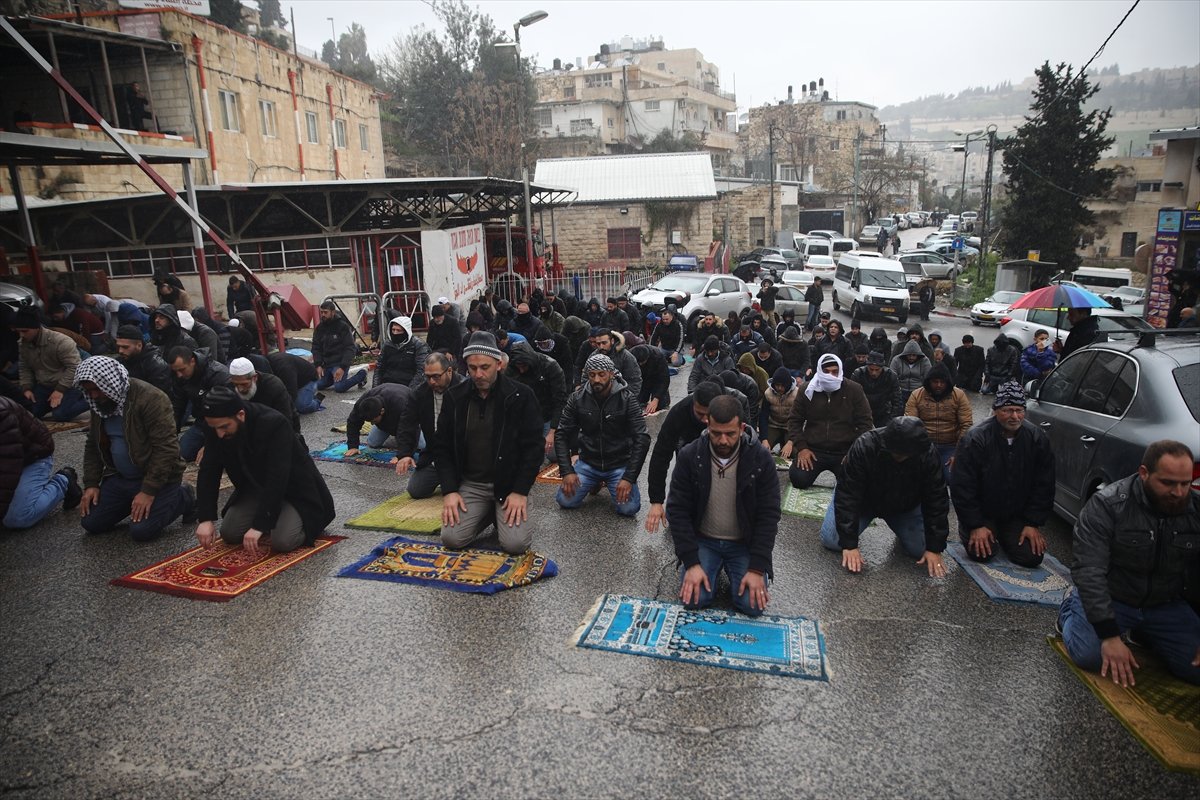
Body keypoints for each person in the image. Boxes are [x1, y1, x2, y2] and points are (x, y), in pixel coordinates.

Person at [1058, 440, 1200, 686]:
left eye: (1185, 483)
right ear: (1144, 473)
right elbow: (1089, 568)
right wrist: (1109, 635)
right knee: (1091, 656)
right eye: (1167, 483)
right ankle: (1070, 609)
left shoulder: (1196, 510)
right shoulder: (1108, 505)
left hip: (1165, 604)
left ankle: (1145, 632)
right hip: (1115, 597)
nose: (1178, 492)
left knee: (1195, 670)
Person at [666, 395, 780, 617]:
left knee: (753, 606)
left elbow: (769, 515)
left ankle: (732, 571)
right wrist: (691, 562)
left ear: (742, 428)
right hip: (704, 540)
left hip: (743, 543)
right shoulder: (690, 455)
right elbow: (677, 510)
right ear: (707, 425)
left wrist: (757, 567)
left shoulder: (761, 459)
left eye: (730, 433)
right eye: (716, 433)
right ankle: (711, 568)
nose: (723, 441)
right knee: (695, 600)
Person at [434, 332, 544, 554]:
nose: (478, 374)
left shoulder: (521, 396)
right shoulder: (455, 397)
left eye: (485, 367)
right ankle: (487, 512)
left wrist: (520, 491)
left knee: (515, 545)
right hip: (472, 484)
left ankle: (499, 511)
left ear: (499, 364)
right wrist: (450, 491)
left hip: (509, 484)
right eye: (472, 368)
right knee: (451, 539)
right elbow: (442, 446)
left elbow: (534, 448)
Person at [194, 387, 335, 556]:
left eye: (224, 427)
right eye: (215, 428)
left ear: (240, 415)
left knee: (283, 541)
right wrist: (205, 518)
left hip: (294, 490)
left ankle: (295, 518)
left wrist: (260, 525)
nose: (220, 434)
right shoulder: (217, 426)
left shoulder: (273, 423)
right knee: (230, 533)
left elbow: (278, 476)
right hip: (256, 487)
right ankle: (275, 516)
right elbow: (209, 470)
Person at [75, 357, 196, 542]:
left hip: (156, 479)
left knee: (141, 531)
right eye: (88, 391)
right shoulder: (100, 403)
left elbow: (167, 450)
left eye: (96, 389)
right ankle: (132, 502)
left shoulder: (150, 399)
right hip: (120, 478)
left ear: (109, 383)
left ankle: (182, 496)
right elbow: (93, 444)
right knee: (91, 523)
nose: (93, 396)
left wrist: (148, 491)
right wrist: (91, 483)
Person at [819, 416, 949, 577]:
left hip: (904, 507)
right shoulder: (865, 445)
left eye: (905, 454)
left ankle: (904, 533)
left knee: (922, 550)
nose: (900, 457)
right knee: (833, 541)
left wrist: (934, 547)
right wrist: (850, 545)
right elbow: (848, 495)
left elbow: (936, 499)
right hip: (864, 503)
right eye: (897, 453)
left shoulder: (927, 454)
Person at [951, 382, 1055, 569]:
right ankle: (971, 530)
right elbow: (963, 486)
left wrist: (1032, 523)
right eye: (1008, 410)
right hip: (983, 514)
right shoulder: (975, 438)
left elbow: (1044, 484)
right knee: (982, 553)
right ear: (996, 410)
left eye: (1019, 410)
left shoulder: (1037, 438)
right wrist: (975, 524)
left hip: (1016, 514)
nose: (1014, 416)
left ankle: (1007, 535)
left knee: (1031, 557)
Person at [554, 353, 650, 517]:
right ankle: (594, 481)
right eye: (592, 375)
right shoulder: (577, 398)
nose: (596, 379)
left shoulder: (628, 400)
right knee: (565, 501)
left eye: (601, 374)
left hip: (618, 464)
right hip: (588, 463)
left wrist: (629, 477)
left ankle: (610, 482)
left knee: (629, 509)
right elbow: (561, 433)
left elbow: (643, 438)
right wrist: (567, 471)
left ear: (611, 374)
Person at [645, 381, 725, 533]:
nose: (705, 420)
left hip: (721, 467)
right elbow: (661, 455)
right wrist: (656, 500)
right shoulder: (679, 412)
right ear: (693, 403)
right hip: (690, 464)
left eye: (709, 415)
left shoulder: (730, 409)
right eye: (700, 414)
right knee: (678, 520)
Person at [785, 353, 873, 489]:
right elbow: (794, 420)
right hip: (814, 449)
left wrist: (854, 452)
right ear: (819, 370)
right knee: (798, 479)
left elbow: (865, 423)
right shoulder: (807, 390)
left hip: (844, 450)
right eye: (826, 372)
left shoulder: (854, 389)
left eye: (834, 372)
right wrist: (802, 448)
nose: (830, 376)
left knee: (854, 483)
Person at [0, 396, 82, 529]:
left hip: (33, 457)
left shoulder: (3, 415)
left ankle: (63, 481)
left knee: (17, 518)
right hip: (10, 463)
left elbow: (8, 471)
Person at [395, 353, 465, 499]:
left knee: (465, 493)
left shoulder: (465, 389)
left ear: (449, 371)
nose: (432, 381)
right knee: (416, 490)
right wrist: (405, 454)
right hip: (436, 453)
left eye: (436, 376)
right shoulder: (420, 394)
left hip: (463, 455)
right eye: (428, 377)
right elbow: (407, 423)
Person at [13, 308, 91, 421]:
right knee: (30, 413)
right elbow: (24, 367)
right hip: (45, 385)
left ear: (36, 328)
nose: (22, 335)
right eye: (19, 331)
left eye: (25, 331)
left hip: (70, 384)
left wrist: (60, 390)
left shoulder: (60, 341)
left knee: (60, 415)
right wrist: (27, 388)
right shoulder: (23, 344)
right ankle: (53, 403)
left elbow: (74, 367)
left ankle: (90, 398)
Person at [904, 363, 972, 484]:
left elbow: (966, 425)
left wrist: (958, 454)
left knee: (954, 477)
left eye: (942, 382)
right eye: (935, 381)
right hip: (925, 446)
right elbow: (910, 424)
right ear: (929, 382)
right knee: (917, 478)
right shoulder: (916, 395)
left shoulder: (959, 395)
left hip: (950, 446)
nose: (939, 385)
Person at [166, 345, 231, 462]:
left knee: (218, 454)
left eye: (182, 370)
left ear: (192, 361)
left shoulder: (217, 374)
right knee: (182, 452)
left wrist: (210, 444)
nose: (179, 375)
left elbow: (228, 410)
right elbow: (178, 407)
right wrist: (170, 434)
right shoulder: (180, 377)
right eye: (176, 371)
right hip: (201, 422)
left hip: (223, 421)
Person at [506, 340, 568, 455]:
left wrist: (553, 431)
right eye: (518, 366)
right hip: (524, 417)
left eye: (524, 366)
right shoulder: (511, 369)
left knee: (552, 453)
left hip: (548, 415)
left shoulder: (550, 366)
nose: (521, 370)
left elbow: (560, 400)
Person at [228, 357, 299, 433]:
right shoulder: (230, 387)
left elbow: (286, 421)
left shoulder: (273, 386)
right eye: (236, 384)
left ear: (254, 378)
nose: (240, 389)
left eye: (244, 384)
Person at [313, 300, 365, 393]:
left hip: (339, 363)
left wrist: (342, 367)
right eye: (321, 312)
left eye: (326, 312)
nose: (323, 315)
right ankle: (332, 378)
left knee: (339, 387)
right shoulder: (319, 328)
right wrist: (318, 365)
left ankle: (362, 375)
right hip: (326, 364)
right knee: (319, 385)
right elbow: (316, 347)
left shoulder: (342, 327)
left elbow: (350, 347)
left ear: (332, 312)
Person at [114, 324, 174, 399]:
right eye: (118, 346)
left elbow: (160, 398)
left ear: (139, 345)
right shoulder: (119, 361)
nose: (120, 351)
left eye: (125, 347)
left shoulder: (156, 365)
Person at [375, 315, 431, 390]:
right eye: (393, 330)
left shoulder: (418, 345)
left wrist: (409, 391)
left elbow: (421, 371)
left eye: (398, 330)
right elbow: (379, 368)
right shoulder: (387, 345)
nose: (395, 333)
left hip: (407, 386)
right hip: (387, 385)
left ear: (406, 331)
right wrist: (375, 389)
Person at [850, 350, 901, 427]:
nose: (874, 373)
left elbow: (897, 401)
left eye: (877, 370)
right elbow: (851, 398)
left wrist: (891, 421)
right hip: (863, 414)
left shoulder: (890, 376)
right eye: (871, 369)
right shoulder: (858, 374)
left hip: (884, 414)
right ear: (867, 366)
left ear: (882, 367)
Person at [761, 367, 798, 452]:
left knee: (794, 452)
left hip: (790, 427)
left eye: (782, 386)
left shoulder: (797, 394)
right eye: (777, 385)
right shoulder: (768, 393)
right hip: (773, 425)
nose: (779, 388)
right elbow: (763, 416)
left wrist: (790, 442)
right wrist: (764, 439)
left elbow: (800, 420)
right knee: (762, 450)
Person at [890, 339, 931, 407]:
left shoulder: (925, 361)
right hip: (900, 391)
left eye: (914, 355)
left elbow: (928, 378)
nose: (911, 357)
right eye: (909, 355)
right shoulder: (896, 360)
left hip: (918, 392)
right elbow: (892, 377)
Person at [631, 344, 671, 414]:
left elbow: (664, 379)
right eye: (638, 363)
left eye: (642, 363)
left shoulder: (658, 355)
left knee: (661, 404)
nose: (640, 365)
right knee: (636, 403)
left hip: (656, 380)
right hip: (641, 381)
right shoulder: (630, 356)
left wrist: (656, 399)